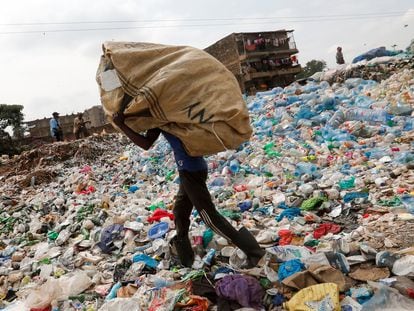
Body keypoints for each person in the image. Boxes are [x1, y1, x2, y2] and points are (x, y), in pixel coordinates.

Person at [112, 110, 265, 268]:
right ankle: (186, 259)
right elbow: (147, 141)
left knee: (210, 218)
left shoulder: (167, 113)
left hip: (191, 170)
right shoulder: (162, 115)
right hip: (188, 169)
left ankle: (254, 252)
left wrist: (122, 125)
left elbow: (145, 144)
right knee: (180, 212)